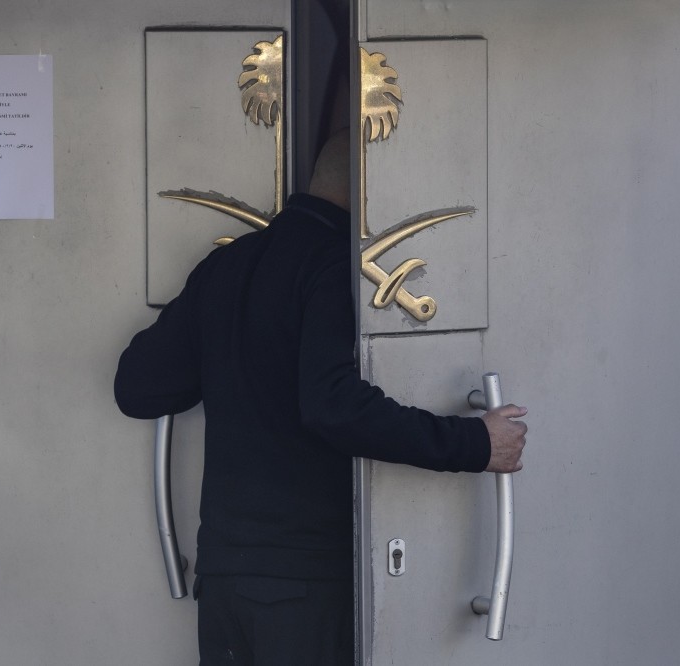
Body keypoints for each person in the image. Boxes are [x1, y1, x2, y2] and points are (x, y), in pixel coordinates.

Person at [114, 130, 528, 665]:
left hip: (225, 582)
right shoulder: (334, 268)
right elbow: (332, 406)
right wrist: (474, 443)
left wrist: (229, 357)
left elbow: (139, 387)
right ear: (370, 186)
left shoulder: (228, 264)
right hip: (304, 584)